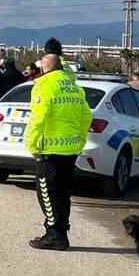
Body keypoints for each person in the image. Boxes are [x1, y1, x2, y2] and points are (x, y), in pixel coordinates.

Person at [27, 38, 92, 251]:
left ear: (44, 68)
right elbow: (86, 116)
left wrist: (32, 144)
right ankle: (61, 232)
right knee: (63, 193)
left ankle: (54, 235)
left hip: (49, 150)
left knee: (46, 192)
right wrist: (80, 140)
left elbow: (39, 117)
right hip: (70, 149)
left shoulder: (44, 85)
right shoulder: (73, 86)